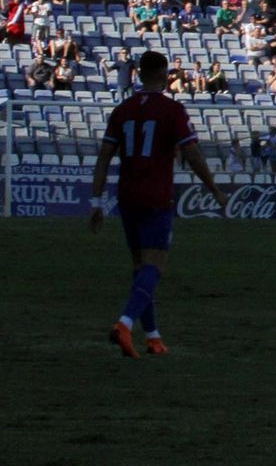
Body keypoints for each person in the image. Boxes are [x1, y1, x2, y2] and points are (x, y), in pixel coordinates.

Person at [89, 51, 227, 358]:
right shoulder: (172, 109)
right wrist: (214, 189)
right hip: (156, 196)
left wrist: (95, 200)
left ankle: (152, 336)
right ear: (165, 75)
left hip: (126, 195)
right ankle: (124, 323)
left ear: (139, 75)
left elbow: (103, 159)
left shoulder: (122, 110)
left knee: (141, 267)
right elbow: (192, 154)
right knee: (154, 265)